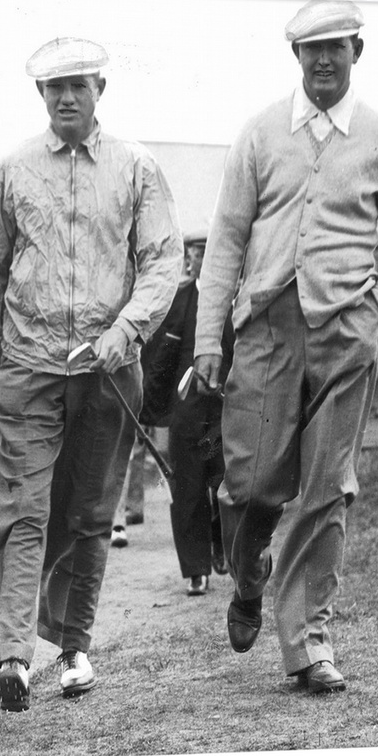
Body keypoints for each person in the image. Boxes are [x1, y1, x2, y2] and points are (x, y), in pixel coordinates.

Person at [193, 0, 378, 694]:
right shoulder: (261, 134)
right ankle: (247, 569)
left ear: (357, 52)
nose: (324, 59)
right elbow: (225, 241)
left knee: (329, 491)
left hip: (347, 332)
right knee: (252, 486)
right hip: (266, 330)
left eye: (336, 48)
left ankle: (309, 642)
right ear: (296, 57)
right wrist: (208, 340)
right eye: (311, 49)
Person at [0, 37, 183, 710]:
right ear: (40, 95)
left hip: (109, 370)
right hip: (28, 367)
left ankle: (74, 645)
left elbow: (163, 261)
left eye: (79, 85)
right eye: (54, 87)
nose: (67, 97)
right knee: (22, 510)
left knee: (91, 512)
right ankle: (12, 657)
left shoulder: (136, 168)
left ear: (100, 89)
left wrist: (124, 332)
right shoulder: (10, 171)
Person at [142, 231, 234, 595]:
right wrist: (148, 405)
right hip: (186, 416)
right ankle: (196, 568)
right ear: (189, 260)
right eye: (196, 253)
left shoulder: (233, 301)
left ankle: (220, 541)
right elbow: (160, 361)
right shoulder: (178, 301)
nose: (201, 259)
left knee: (224, 483)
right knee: (188, 489)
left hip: (226, 414)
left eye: (208, 253)